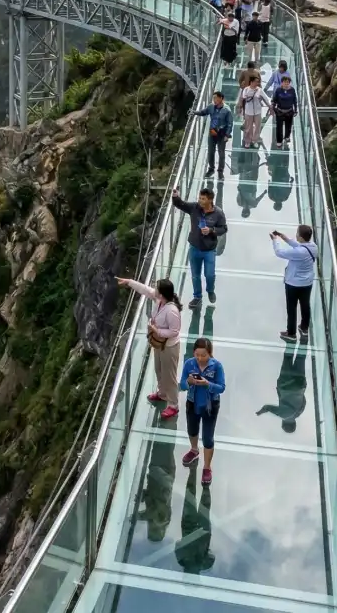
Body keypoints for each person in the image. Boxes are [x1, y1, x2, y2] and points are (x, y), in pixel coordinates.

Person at [116, 276, 182, 419]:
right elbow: (145, 290)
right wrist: (129, 282)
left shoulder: (171, 311)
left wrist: (156, 330)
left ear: (162, 293)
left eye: (157, 287)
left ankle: (173, 405)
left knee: (169, 375)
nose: (154, 289)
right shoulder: (159, 300)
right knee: (159, 369)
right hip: (159, 344)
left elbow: (174, 331)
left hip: (169, 347)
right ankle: (162, 393)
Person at [172, 186, 227, 308]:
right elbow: (181, 204)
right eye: (199, 198)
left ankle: (210, 290)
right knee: (195, 275)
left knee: (209, 274)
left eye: (203, 199)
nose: (200, 201)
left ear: (210, 200)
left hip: (209, 250)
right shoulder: (194, 208)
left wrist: (211, 230)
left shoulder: (218, 213)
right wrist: (176, 197)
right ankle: (197, 297)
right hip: (195, 248)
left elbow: (223, 229)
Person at [179, 337, 225, 485]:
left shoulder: (217, 366)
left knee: (207, 437)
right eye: (197, 354)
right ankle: (194, 450)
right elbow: (182, 385)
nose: (199, 358)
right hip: (192, 402)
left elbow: (221, 387)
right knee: (192, 429)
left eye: (203, 355)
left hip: (210, 404)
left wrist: (207, 384)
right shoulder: (189, 363)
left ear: (210, 353)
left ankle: (207, 467)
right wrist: (188, 382)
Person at [272, 226, 317, 343]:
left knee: (291, 308)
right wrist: (284, 237)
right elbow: (299, 246)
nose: (296, 235)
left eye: (297, 234)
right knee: (305, 305)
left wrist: (275, 240)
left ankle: (291, 333)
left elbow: (279, 252)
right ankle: (304, 328)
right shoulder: (313, 247)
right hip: (307, 283)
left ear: (301, 237)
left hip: (293, 284)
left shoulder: (298, 252)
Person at [256, 347, 308, 435]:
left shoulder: (300, 411)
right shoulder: (284, 416)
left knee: (301, 358)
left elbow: (304, 399)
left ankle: (304, 337)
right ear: (284, 423)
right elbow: (267, 408)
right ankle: (290, 341)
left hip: (300, 384)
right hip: (285, 384)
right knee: (288, 357)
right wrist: (259, 412)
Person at [237, 72, 268, 149]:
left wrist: (269, 106)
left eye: (258, 82)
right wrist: (240, 109)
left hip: (257, 111)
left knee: (257, 127)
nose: (257, 83)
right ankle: (247, 141)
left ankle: (255, 140)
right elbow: (243, 98)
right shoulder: (246, 90)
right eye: (256, 81)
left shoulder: (259, 90)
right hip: (248, 111)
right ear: (251, 82)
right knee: (248, 127)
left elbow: (266, 99)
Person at [270, 74, 298, 148]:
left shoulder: (292, 90)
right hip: (280, 111)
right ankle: (279, 141)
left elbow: (295, 100)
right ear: (282, 83)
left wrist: (296, 109)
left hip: (289, 111)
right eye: (285, 82)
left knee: (288, 126)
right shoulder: (278, 90)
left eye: (288, 82)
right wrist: (273, 108)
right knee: (279, 127)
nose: (286, 84)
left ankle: (287, 136)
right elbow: (274, 100)